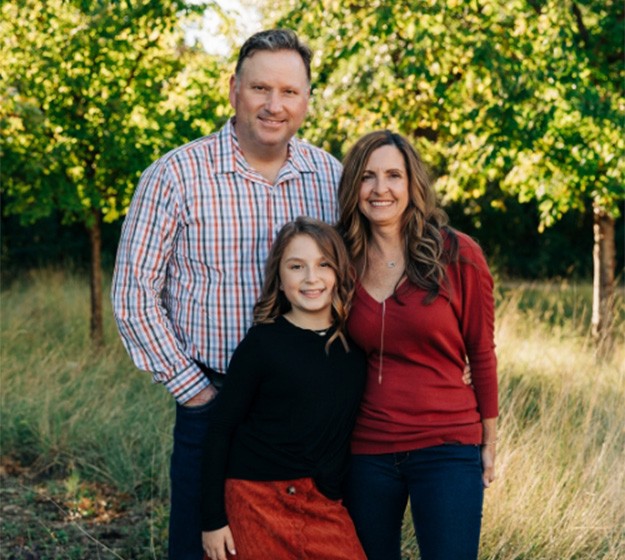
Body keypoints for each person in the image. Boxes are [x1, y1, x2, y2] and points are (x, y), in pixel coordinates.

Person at [110, 29, 342, 560]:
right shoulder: (174, 175)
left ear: (307, 99)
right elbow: (134, 296)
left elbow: (357, 283)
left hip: (305, 406)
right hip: (211, 399)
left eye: (289, 92)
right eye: (261, 88)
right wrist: (197, 394)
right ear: (234, 89)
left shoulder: (329, 177)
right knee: (201, 546)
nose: (274, 105)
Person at [336, 130, 499, 560]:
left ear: (412, 185)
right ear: (354, 186)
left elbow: (482, 352)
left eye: (394, 175)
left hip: (447, 446)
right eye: (368, 177)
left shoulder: (458, 254)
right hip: (367, 449)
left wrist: (490, 441)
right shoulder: (340, 259)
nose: (380, 189)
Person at [200, 216, 366, 560]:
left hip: (322, 504)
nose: (311, 278)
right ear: (279, 277)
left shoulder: (356, 345)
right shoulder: (263, 342)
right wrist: (212, 520)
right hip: (254, 498)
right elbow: (220, 429)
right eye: (296, 266)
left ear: (339, 272)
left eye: (323, 264)